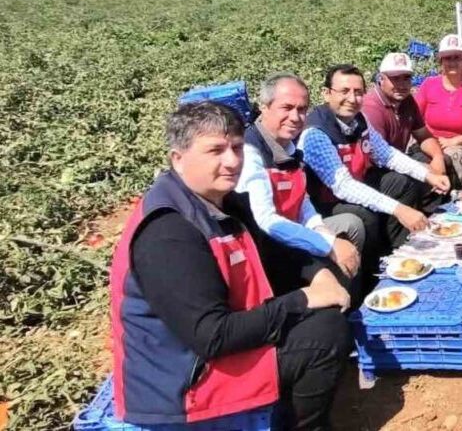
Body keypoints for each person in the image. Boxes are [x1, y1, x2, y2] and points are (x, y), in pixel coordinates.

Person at [110, 101, 351, 430]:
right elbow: (212, 337)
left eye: (237, 148)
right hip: (182, 383)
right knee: (324, 334)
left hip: (207, 348)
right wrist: (303, 299)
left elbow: (275, 252)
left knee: (324, 297)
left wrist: (319, 273)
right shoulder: (169, 233)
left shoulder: (225, 202)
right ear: (177, 159)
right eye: (215, 151)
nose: (232, 161)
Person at [238, 73, 368, 299]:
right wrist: (327, 244)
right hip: (268, 244)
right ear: (264, 107)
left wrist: (320, 229)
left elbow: (302, 201)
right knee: (336, 245)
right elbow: (266, 221)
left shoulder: (290, 147)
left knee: (352, 224)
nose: (295, 117)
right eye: (286, 108)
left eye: (302, 109)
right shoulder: (250, 153)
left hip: (292, 227)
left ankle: (353, 303)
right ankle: (331, 306)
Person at [300, 64, 450, 254]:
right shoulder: (316, 132)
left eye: (358, 92)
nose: (352, 99)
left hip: (357, 183)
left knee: (402, 182)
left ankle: (400, 249)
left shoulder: (358, 120)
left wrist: (428, 175)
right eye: (344, 91)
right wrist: (399, 209)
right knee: (363, 216)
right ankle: (373, 269)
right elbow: (344, 187)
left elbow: (387, 154)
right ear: (326, 93)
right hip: (327, 202)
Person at [414, 34, 462, 188]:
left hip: (458, 144)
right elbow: (415, 118)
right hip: (428, 141)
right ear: (441, 61)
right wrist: (430, 142)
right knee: (417, 164)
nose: (452, 62)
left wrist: (453, 141)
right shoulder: (429, 85)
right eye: (448, 58)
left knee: (449, 160)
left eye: (457, 57)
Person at [361, 52, 447, 176]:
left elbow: (423, 135)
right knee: (419, 179)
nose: (402, 85)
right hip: (376, 172)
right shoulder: (372, 107)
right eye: (395, 79)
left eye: (406, 78)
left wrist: (438, 157)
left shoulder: (407, 101)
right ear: (381, 79)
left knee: (441, 161)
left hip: (398, 161)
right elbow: (380, 158)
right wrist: (425, 172)